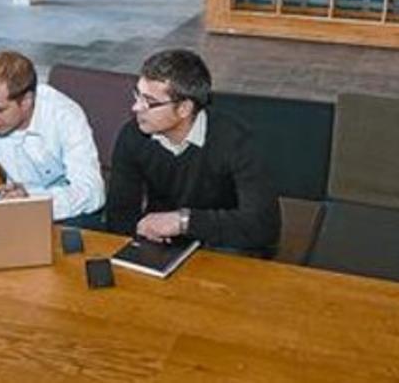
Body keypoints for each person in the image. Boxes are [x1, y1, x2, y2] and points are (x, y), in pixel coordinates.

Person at [105, 49, 279, 252]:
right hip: (163, 243)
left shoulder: (236, 141)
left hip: (225, 243)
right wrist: (141, 230)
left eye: (149, 102)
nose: (136, 107)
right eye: (137, 95)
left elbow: (263, 227)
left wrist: (183, 222)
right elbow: (119, 216)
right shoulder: (133, 136)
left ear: (184, 109)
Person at [0, 50, 105, 225]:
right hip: (13, 201)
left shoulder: (64, 115)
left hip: (62, 208)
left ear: (26, 101)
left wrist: (32, 203)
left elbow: (92, 193)